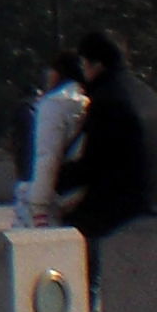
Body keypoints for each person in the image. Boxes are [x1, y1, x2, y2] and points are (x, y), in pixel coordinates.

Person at [59, 31, 149, 248]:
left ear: (96, 65)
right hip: (148, 199)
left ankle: (89, 283)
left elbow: (94, 163)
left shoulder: (106, 100)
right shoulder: (146, 94)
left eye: (83, 63)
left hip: (122, 207)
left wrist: (59, 180)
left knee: (64, 229)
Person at [15, 50, 87, 228]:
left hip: (58, 197)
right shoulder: (90, 100)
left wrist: (38, 203)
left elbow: (47, 156)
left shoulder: (55, 104)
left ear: (58, 72)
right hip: (82, 193)